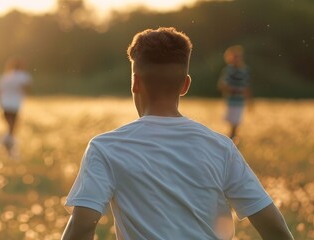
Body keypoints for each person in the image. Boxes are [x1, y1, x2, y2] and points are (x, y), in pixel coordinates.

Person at [62, 27, 293, 240]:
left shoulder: (105, 147)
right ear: (185, 85)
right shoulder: (221, 147)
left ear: (135, 82)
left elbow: (81, 227)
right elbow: (273, 226)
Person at [0, 57, 31, 156]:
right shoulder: (23, 76)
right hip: (15, 105)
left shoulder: (5, 76)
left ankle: (7, 146)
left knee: (10, 127)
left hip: (4, 104)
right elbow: (26, 88)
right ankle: (8, 146)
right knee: (12, 128)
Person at [218, 45, 252, 142]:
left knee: (236, 122)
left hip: (240, 101)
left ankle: (232, 139)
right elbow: (222, 85)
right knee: (232, 122)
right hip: (231, 101)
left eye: (238, 57)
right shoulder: (229, 70)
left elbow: (246, 87)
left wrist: (249, 101)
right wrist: (232, 89)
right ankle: (231, 139)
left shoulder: (244, 70)